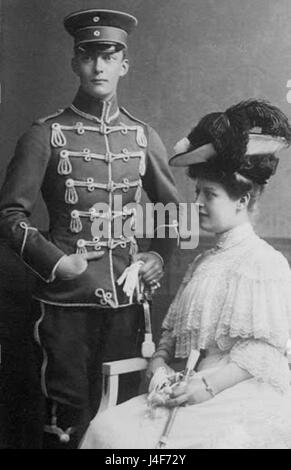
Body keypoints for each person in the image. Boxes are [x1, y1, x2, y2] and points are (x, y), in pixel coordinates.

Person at [0, 9, 180, 448]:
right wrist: (57, 262)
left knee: (122, 417)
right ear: (75, 62)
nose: (98, 67)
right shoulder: (46, 134)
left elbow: (174, 213)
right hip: (65, 306)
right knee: (67, 417)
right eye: (88, 56)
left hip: (126, 304)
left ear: (124, 64)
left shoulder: (142, 136)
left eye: (109, 56)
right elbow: (9, 215)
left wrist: (155, 256)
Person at [80, 100, 291, 449]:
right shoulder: (203, 264)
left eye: (210, 194)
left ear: (243, 200)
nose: (198, 203)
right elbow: (171, 337)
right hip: (188, 387)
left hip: (241, 394)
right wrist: (160, 366)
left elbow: (263, 355)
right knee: (109, 430)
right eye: (197, 192)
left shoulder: (265, 264)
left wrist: (206, 387)